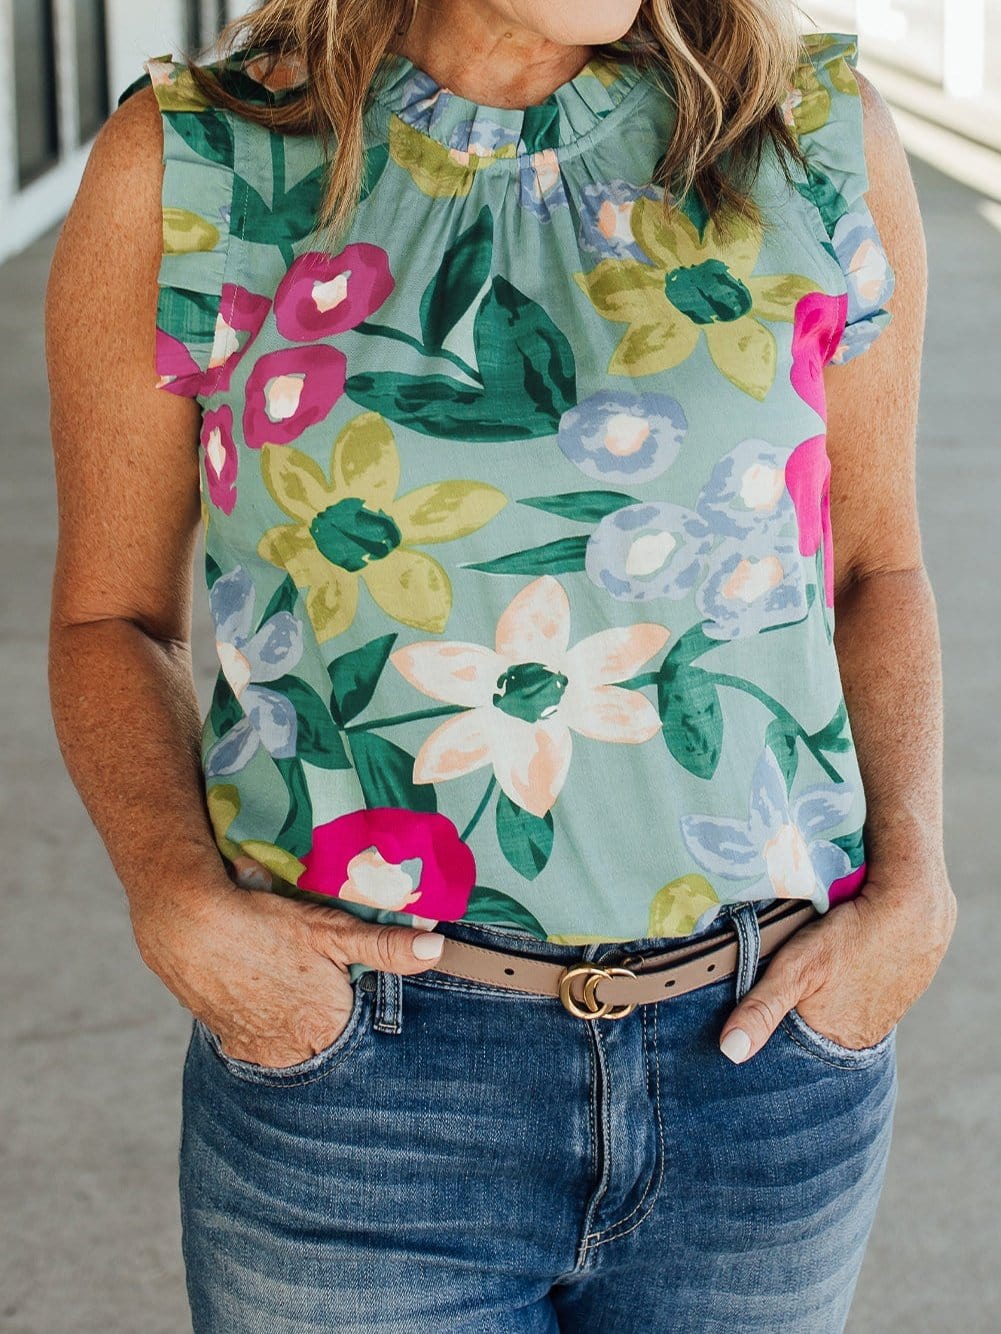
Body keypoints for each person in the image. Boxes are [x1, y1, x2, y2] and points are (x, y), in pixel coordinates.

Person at [45, 1, 957, 1329]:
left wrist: (917, 887)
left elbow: (877, 567)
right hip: (364, 1082)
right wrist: (178, 898)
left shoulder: (806, 138)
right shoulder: (199, 161)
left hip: (763, 1064)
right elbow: (109, 619)